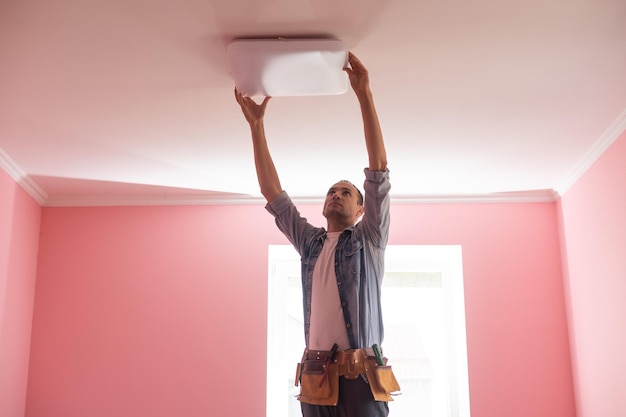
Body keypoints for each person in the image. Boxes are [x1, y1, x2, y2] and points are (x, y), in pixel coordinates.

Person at [235, 52, 392, 417]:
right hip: (315, 375)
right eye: (331, 192)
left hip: (362, 376)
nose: (336, 195)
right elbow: (274, 194)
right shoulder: (311, 243)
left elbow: (378, 173)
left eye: (346, 192)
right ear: (324, 206)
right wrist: (256, 127)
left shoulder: (368, 240)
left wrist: (364, 95)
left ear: (360, 209)